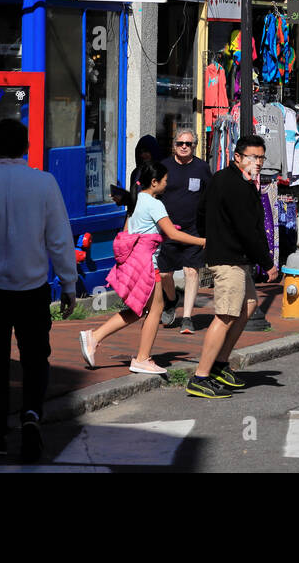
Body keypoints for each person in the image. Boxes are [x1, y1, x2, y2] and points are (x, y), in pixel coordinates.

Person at [0, 119, 76, 462]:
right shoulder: (44, 183)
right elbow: (59, 238)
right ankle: (32, 416)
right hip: (32, 287)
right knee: (36, 358)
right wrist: (68, 282)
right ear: (26, 147)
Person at [79, 163, 207, 374]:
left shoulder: (137, 200)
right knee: (155, 308)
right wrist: (202, 242)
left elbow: (133, 229)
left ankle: (95, 337)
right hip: (148, 263)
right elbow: (173, 235)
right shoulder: (155, 204)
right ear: (154, 182)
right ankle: (141, 358)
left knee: (141, 309)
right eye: (165, 181)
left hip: (136, 260)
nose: (167, 184)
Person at [187, 135, 271, 400]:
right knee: (225, 315)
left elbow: (201, 212)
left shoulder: (232, 180)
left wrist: (209, 236)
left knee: (248, 306)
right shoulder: (234, 184)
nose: (258, 162)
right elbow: (247, 229)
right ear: (237, 157)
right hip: (228, 258)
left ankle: (221, 364)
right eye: (253, 157)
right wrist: (267, 263)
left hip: (233, 256)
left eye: (261, 158)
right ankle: (201, 376)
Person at [157, 128, 210, 333]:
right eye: (180, 143)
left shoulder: (202, 168)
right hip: (167, 229)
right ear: (174, 145)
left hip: (193, 229)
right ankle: (171, 300)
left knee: (191, 271)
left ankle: (187, 317)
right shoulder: (164, 166)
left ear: (194, 146)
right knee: (164, 274)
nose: (184, 147)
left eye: (188, 144)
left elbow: (210, 197)